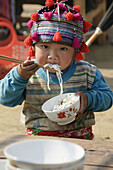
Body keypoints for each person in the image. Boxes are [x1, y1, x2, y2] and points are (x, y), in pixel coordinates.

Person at [0, 0, 113, 140]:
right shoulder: (26, 72)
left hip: (80, 140)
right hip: (38, 139)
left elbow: (108, 98)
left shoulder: (87, 72)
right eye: (45, 47)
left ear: (75, 51)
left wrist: (88, 99)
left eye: (63, 49)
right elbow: (5, 99)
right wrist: (19, 77)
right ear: (33, 47)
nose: (52, 57)